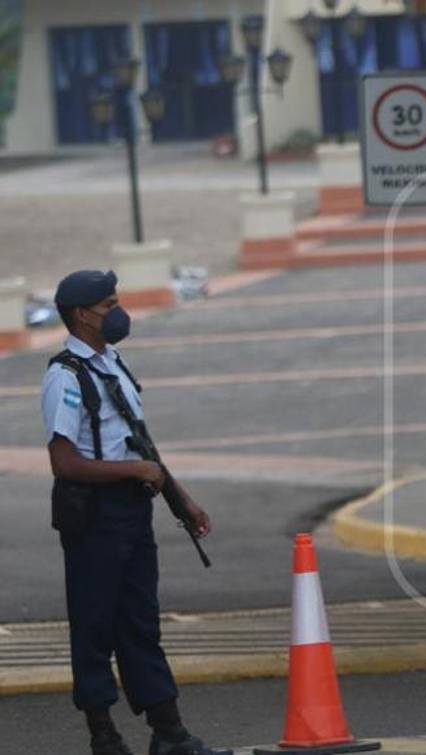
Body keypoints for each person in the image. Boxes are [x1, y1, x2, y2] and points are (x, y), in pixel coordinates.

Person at [40, 270, 227, 755]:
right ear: (82, 315)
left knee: (141, 622)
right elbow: (63, 461)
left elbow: (138, 441)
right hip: (94, 517)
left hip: (131, 513)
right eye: (108, 304)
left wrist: (180, 498)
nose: (118, 311)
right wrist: (131, 472)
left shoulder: (113, 362)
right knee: (95, 623)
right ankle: (103, 735)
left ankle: (168, 732)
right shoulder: (66, 375)